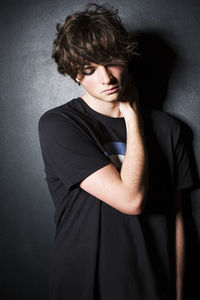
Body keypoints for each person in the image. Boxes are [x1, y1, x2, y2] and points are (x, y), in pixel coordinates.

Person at [38, 3, 194, 300]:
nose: (106, 78)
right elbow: (131, 200)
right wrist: (133, 118)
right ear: (76, 76)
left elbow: (177, 217)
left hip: (151, 281)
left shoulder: (169, 129)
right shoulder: (60, 124)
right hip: (84, 282)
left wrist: (178, 291)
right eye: (89, 69)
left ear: (126, 58)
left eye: (112, 62)